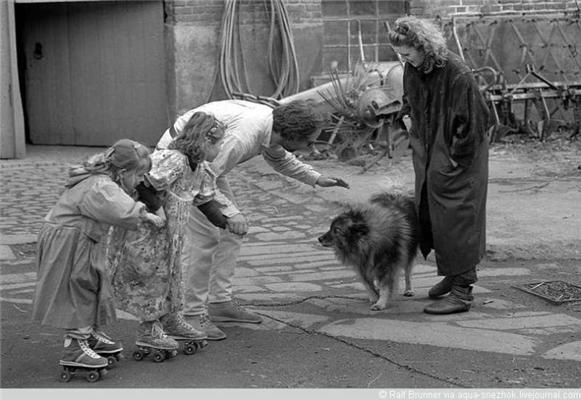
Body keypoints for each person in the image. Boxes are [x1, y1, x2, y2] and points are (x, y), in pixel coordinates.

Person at [157, 99, 350, 340]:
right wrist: (230, 212)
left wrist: (316, 178)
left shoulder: (271, 128)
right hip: (184, 167)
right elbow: (203, 177)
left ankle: (219, 302)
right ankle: (189, 315)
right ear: (291, 134)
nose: (310, 148)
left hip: (206, 168)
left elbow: (279, 158)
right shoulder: (243, 136)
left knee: (231, 232)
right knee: (203, 238)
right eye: (308, 142)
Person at [387, 16, 491, 314]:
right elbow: (410, 99)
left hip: (459, 153)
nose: (402, 59)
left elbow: (474, 122)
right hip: (430, 146)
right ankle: (453, 273)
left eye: (407, 53)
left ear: (423, 46)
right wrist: (408, 117)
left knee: (458, 214)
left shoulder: (456, 72)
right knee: (432, 212)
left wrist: (453, 159)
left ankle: (462, 289)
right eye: (399, 54)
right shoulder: (414, 68)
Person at [31, 139, 164, 371]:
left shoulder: (103, 181)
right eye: (139, 174)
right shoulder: (101, 185)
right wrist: (147, 215)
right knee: (78, 287)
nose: (141, 180)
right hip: (70, 240)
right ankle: (75, 344)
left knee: (91, 282)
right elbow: (120, 209)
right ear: (123, 172)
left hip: (79, 237)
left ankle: (88, 334)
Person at [107, 111, 230, 353]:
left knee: (173, 276)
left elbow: (204, 201)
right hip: (150, 232)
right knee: (151, 279)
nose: (222, 148)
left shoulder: (201, 168)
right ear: (205, 141)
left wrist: (226, 221)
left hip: (171, 237)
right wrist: (158, 211)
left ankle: (172, 318)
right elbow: (144, 183)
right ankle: (149, 329)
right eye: (219, 143)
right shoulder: (174, 160)